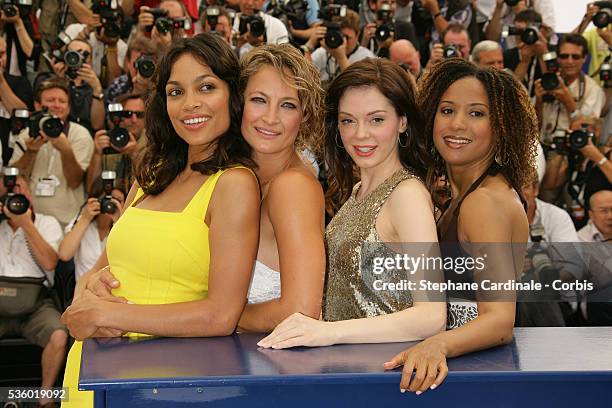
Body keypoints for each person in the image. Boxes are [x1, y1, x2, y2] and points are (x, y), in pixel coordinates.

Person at [59, 33, 260, 407]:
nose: (190, 104)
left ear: (233, 96)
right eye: (176, 91)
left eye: (206, 87)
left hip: (165, 381)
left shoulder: (234, 183)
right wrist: (90, 295)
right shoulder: (151, 174)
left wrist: (108, 312)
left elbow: (220, 315)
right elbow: (96, 270)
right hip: (94, 366)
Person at [258, 58, 446, 349]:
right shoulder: (360, 189)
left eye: (376, 120)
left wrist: (328, 332)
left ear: (403, 122)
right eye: (348, 120)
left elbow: (432, 315)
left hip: (385, 376)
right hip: (349, 372)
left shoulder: (406, 195)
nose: (360, 134)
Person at [383, 58, 539, 393]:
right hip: (459, 373)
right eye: (447, 110)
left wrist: (438, 345)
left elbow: (498, 321)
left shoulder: (484, 202)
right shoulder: (462, 195)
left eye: (477, 113)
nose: (457, 125)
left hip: (474, 380)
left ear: (502, 125)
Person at [237, 44, 326, 332]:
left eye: (287, 105)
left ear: (305, 117)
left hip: (271, 369)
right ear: (239, 103)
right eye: (259, 100)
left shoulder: (293, 187)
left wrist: (218, 315)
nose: (270, 118)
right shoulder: (233, 179)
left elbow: (301, 310)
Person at [0, 174, 67, 408]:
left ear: (29, 193)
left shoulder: (46, 223)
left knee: (58, 334)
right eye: (9, 191)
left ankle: (45, 396)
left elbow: (50, 263)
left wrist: (26, 224)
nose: (14, 195)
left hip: (35, 302)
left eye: (20, 189)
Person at [9, 77, 95, 228]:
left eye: (62, 101)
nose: (56, 105)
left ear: (68, 108)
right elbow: (15, 179)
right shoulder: (26, 134)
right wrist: (30, 152)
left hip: (68, 222)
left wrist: (66, 150)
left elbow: (75, 182)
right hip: (30, 220)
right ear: (37, 105)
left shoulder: (80, 134)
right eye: (50, 100)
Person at [58, 183, 126, 281]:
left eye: (117, 200)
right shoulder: (82, 221)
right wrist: (85, 218)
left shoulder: (127, 228)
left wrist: (118, 223)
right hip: (83, 291)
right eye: (106, 199)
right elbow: (64, 254)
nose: (110, 205)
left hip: (113, 290)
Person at [305, 9, 375, 82]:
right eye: (339, 36)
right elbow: (304, 78)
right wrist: (309, 45)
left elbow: (358, 88)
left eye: (347, 37)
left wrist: (341, 58)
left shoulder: (366, 57)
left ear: (357, 35)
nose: (343, 42)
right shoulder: (323, 52)